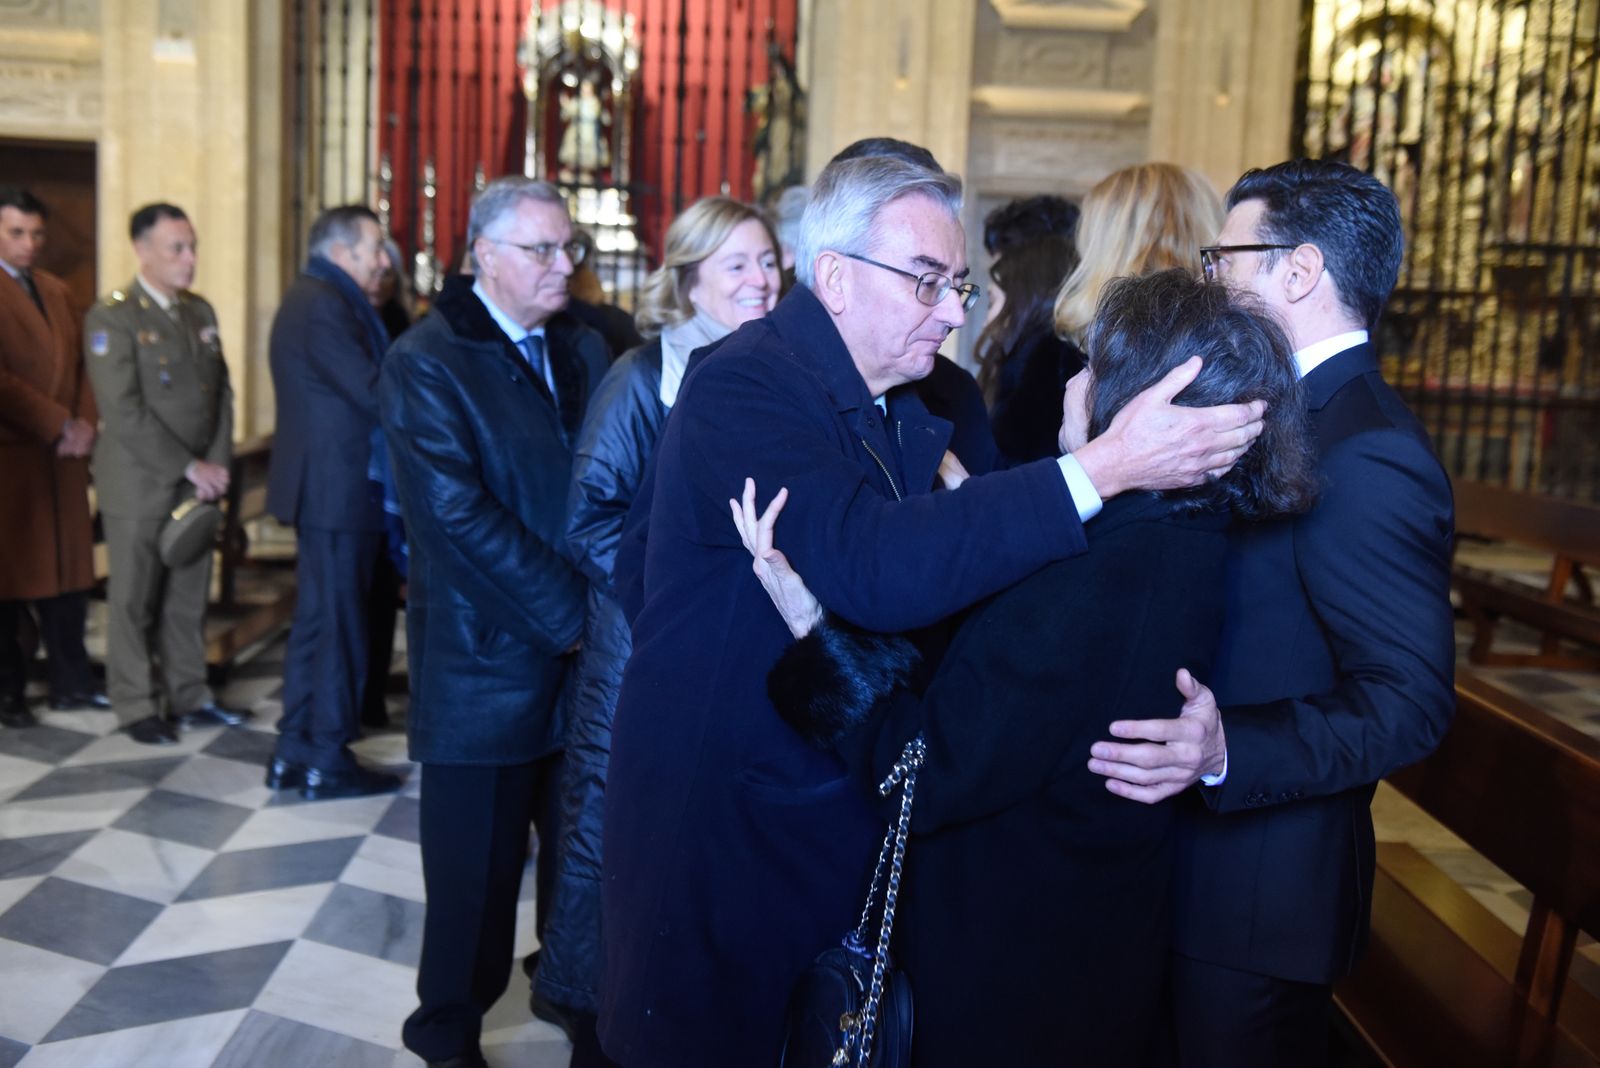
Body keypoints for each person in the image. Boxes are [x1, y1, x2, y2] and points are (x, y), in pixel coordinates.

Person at [597, 153, 1266, 1066]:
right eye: (925, 284)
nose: (954, 311)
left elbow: (987, 573)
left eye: (956, 284)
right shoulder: (746, 382)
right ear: (833, 277)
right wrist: (1101, 466)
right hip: (735, 812)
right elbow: (869, 569)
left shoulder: (941, 390)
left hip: (873, 794)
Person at [737, 268, 1318, 1068]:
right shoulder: (1173, 537)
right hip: (1076, 952)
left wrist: (814, 636)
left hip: (1010, 974)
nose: (1076, 381)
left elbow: (922, 773)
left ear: (1147, 402)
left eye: (1098, 366)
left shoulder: (1107, 579)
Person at [1086, 159, 1456, 1066]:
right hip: (1198, 876)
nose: (1214, 278)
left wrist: (1227, 751)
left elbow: (1409, 701)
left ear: (1299, 272)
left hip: (1259, 908)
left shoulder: (1368, 450)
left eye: (1228, 257)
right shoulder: (1284, 403)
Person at [535, 196, 779, 1061]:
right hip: (640, 647)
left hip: (728, 654)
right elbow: (589, 515)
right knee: (615, 834)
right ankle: (592, 1026)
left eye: (767, 262)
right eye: (737, 264)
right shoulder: (646, 374)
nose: (760, 279)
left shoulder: (773, 372)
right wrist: (669, 601)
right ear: (689, 280)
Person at [382, 176, 609, 1068]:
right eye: (542, 250)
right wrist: (577, 614)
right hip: (486, 659)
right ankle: (446, 1027)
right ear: (484, 255)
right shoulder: (427, 358)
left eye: (570, 249)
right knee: (472, 873)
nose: (564, 266)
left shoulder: (584, 348)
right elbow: (455, 515)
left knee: (576, 845)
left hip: (579, 652)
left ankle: (563, 983)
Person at [83, 203, 251, 746]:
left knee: (188, 594)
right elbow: (124, 409)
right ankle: (135, 704)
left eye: (193, 246)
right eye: (176, 248)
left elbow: (221, 393)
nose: (190, 259)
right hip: (139, 480)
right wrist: (188, 465)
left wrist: (219, 463)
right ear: (142, 250)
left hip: (198, 479)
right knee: (134, 597)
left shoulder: (198, 313)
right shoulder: (113, 317)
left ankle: (189, 691)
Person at [264, 205, 402, 800]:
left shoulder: (321, 294)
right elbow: (372, 389)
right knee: (338, 625)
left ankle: (295, 749)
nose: (382, 258)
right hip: (337, 490)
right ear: (343, 250)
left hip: (332, 488)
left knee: (321, 623)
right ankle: (325, 755)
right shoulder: (322, 301)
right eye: (374, 246)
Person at [0, 186, 103, 728]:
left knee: (68, 577)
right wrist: (56, 422)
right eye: (16, 232)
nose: (29, 244)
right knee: (12, 583)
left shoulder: (57, 290)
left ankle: (72, 683)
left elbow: (87, 365)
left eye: (37, 234)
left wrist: (83, 424)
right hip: (14, 457)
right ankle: (9, 693)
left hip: (63, 456)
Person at [976, 230, 1080, 463]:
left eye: (991, 303)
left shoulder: (1040, 369)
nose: (986, 321)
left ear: (1022, 301)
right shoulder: (1057, 360)